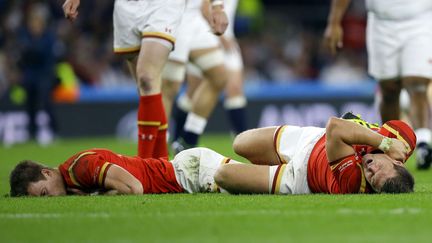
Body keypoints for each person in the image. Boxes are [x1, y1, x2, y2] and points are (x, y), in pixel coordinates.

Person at [62, 0, 227, 159]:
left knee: (149, 79)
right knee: (150, 88)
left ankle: (149, 160)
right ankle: (161, 160)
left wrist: (217, 6)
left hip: (170, 8)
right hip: (127, 8)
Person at [323, 0, 432, 169]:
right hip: (382, 23)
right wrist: (334, 22)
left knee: (417, 84)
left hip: (420, 19)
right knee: (389, 90)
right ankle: (392, 143)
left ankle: (424, 145)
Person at [214, 115, 416, 194]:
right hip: (311, 139)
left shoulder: (354, 183)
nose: (370, 168)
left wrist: (384, 143)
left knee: (223, 175)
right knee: (240, 143)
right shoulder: (404, 140)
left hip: (302, 177)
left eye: (372, 177)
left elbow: (336, 127)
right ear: (398, 162)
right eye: (379, 168)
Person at [9, 146, 234, 197]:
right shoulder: (71, 180)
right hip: (183, 174)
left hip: (189, 174)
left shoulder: (81, 168)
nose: (51, 200)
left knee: (266, 184)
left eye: (45, 194)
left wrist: (94, 197)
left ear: (47, 174)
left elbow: (134, 188)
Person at [171, 0, 247, 143]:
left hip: (226, 38)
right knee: (193, 90)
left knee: (234, 88)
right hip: (205, 35)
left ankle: (243, 142)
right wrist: (221, 36)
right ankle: (180, 138)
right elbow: (204, 5)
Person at [160, 0, 229, 153]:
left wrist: (217, 6)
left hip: (194, 16)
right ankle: (157, 153)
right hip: (173, 15)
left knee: (219, 77)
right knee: (169, 88)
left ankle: (188, 142)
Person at [18, 3, 58, 145]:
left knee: (46, 104)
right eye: (32, 22)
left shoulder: (48, 37)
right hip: (30, 76)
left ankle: (54, 132)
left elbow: (43, 54)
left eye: (37, 22)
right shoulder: (24, 35)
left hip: (44, 75)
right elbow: (23, 55)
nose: (35, 25)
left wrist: (31, 51)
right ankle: (31, 134)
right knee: (30, 106)